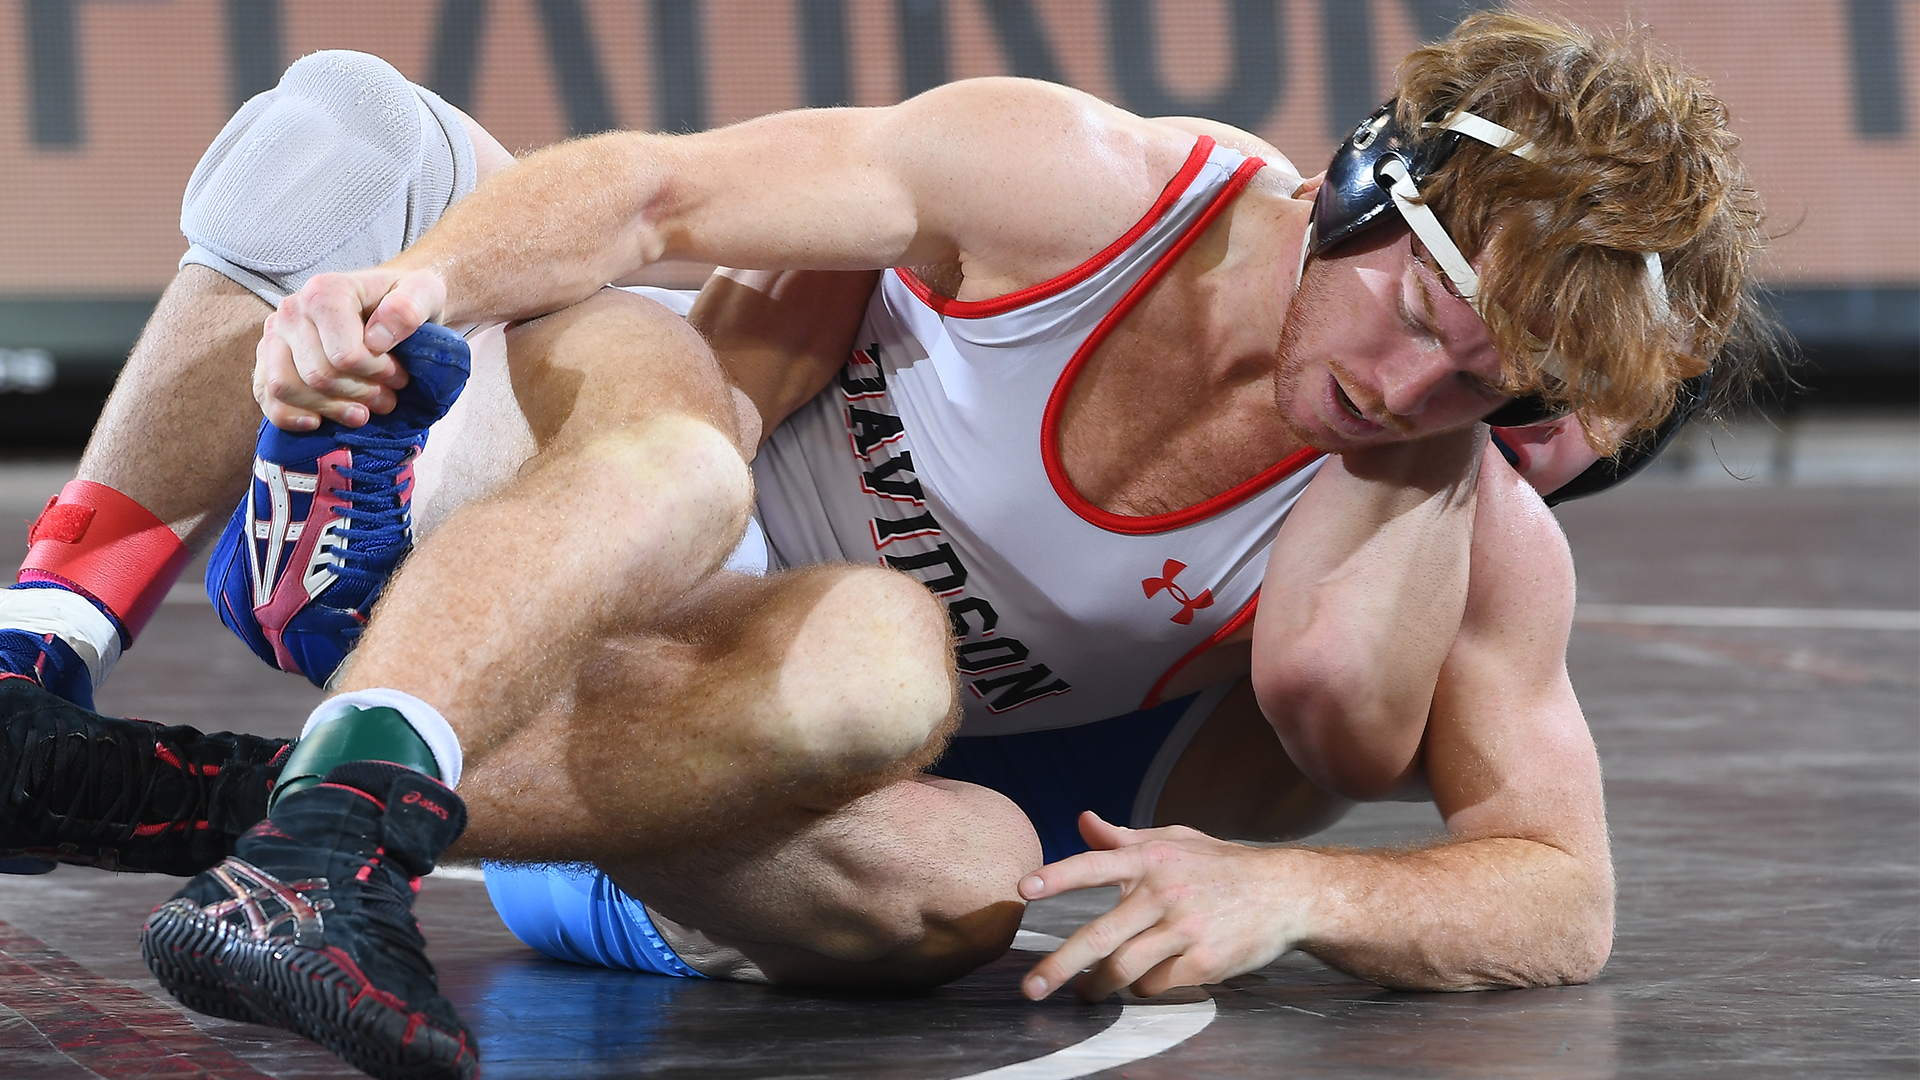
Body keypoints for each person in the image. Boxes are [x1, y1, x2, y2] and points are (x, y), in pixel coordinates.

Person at [0, 13, 1772, 1080]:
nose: (1400, 389)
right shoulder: (1089, 186)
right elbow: (655, 197)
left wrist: (1291, 890)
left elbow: (1565, 890)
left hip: (675, 803)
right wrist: (406, 297)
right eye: (1411, 313)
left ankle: (235, 800)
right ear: (1366, 185)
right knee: (383, 159)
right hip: (584, 500)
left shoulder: (1455, 531)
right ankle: (36, 659)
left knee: (950, 843)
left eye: (1479, 387)